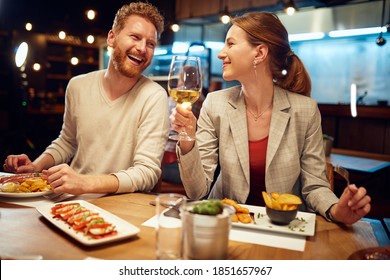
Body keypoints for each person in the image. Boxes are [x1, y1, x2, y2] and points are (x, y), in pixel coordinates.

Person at [170, 12, 371, 224]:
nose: (221, 53)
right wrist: (186, 137)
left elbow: (314, 186)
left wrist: (335, 210)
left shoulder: (305, 110)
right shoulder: (215, 104)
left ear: (260, 53)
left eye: (230, 44)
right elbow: (196, 191)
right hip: (228, 223)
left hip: (285, 226)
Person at [3, 2, 169, 195]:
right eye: (135, 37)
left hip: (121, 203)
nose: (142, 48)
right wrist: (35, 167)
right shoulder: (77, 85)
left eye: (150, 44)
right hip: (72, 198)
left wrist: (85, 184)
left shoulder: (154, 96)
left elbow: (147, 172)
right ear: (111, 38)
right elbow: (67, 141)